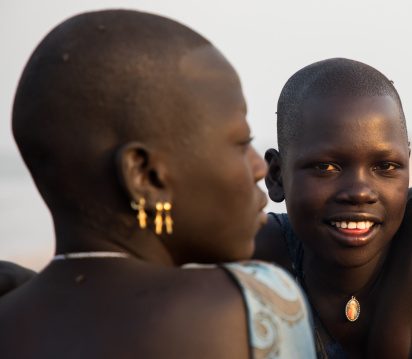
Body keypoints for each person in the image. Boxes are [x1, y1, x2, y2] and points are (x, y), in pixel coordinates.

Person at [0, 10, 316, 358]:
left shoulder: (11, 314)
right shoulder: (252, 303)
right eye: (241, 143)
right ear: (146, 177)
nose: (259, 166)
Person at [253, 58, 412, 358]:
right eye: (326, 166)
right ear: (277, 177)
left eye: (385, 166)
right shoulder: (261, 255)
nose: (359, 193)